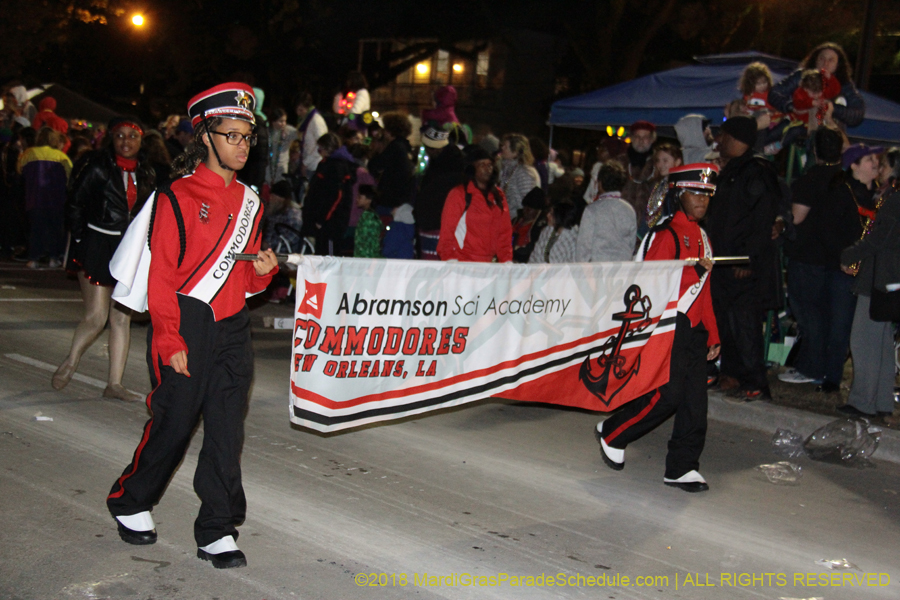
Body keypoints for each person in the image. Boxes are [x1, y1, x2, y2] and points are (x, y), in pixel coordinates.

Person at [106, 83, 278, 569]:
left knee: (227, 429)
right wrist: (167, 335)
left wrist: (260, 271)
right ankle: (131, 499)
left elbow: (241, 278)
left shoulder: (251, 202)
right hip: (185, 320)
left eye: (248, 138)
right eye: (232, 136)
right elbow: (162, 276)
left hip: (231, 325)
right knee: (175, 423)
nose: (242, 146)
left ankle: (218, 529)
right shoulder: (175, 197)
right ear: (205, 136)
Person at [595, 163, 720, 493]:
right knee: (668, 394)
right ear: (678, 195)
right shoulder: (664, 235)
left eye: (707, 194)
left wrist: (713, 332)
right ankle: (614, 431)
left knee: (695, 404)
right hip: (668, 323)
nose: (702, 200)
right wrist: (693, 273)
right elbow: (647, 286)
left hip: (694, 327)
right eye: (695, 192)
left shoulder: (702, 237)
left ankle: (682, 466)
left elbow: (704, 289)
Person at [53, 117, 155, 401]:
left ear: (141, 140)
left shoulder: (147, 172)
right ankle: (71, 361)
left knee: (121, 317)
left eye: (132, 136)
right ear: (112, 138)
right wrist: (82, 240)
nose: (126, 141)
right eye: (120, 136)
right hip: (97, 243)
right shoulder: (97, 166)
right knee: (97, 316)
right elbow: (74, 203)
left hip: (129, 249)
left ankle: (114, 384)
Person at [706, 116, 781, 401]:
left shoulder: (756, 171)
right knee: (726, 319)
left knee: (745, 324)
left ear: (735, 138)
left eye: (722, 135)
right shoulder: (732, 170)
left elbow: (761, 220)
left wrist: (745, 259)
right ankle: (733, 374)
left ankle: (756, 382)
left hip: (742, 265)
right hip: (723, 261)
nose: (718, 140)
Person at [779, 128, 850, 389]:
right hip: (831, 258)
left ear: (815, 151)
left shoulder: (810, 179)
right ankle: (820, 368)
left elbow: (796, 218)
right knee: (822, 316)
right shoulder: (844, 179)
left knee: (808, 316)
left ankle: (810, 367)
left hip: (808, 256)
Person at [839, 177, 900, 418]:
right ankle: (881, 401)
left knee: (865, 342)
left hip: (878, 278)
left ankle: (863, 401)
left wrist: (849, 254)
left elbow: (878, 239)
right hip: (889, 279)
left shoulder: (895, 201)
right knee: (882, 343)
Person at [437, 146, 512, 262]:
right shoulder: (459, 194)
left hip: (488, 266)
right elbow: (447, 233)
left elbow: (504, 233)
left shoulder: (498, 196)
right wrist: (450, 261)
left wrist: (506, 261)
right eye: (482, 165)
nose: (487, 169)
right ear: (472, 169)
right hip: (463, 264)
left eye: (490, 165)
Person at [768, 42, 865, 130]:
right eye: (822, 58)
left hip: (828, 131)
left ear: (838, 65)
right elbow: (774, 93)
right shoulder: (801, 76)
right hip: (798, 125)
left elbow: (857, 114)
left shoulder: (844, 83)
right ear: (815, 60)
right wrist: (792, 106)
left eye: (831, 60)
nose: (825, 63)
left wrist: (831, 108)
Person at [17, 127, 72, 268]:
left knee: (36, 229)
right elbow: (70, 176)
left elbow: (20, 170)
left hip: (34, 197)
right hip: (56, 199)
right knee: (55, 228)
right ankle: (54, 257)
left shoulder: (29, 153)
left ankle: (34, 258)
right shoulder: (61, 157)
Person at [414, 123, 466, 260]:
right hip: (437, 222)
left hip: (438, 225)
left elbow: (436, 196)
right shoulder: (451, 161)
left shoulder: (447, 167)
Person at [302, 132, 357, 256]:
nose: (319, 151)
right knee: (322, 253)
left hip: (331, 223)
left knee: (329, 256)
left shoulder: (336, 167)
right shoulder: (328, 164)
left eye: (320, 148)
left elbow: (335, 197)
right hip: (325, 221)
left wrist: (322, 219)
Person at [575, 161, 636, 262]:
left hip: (598, 269)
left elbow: (583, 246)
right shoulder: (629, 210)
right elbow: (631, 244)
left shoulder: (592, 210)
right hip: (622, 268)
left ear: (600, 184)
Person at [367, 112, 414, 210]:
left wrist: (375, 151)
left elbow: (375, 166)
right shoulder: (405, 146)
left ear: (389, 130)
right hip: (401, 198)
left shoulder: (395, 147)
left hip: (391, 200)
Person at [614, 120, 657, 226]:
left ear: (652, 139)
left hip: (647, 225)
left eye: (645, 137)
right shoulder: (619, 163)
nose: (641, 140)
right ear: (632, 138)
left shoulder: (658, 164)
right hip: (620, 221)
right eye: (637, 136)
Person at [498, 134, 541, 219]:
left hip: (516, 219)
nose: (502, 148)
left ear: (515, 152)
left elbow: (528, 202)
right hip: (508, 218)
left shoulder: (524, 172)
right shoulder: (508, 169)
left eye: (506, 147)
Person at [295, 92, 329, 178]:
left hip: (315, 166)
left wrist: (305, 163)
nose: (298, 114)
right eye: (297, 110)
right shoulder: (307, 121)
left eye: (301, 110)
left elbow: (321, 145)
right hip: (309, 164)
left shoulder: (316, 121)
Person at [511, 187, 547, 263]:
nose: (525, 211)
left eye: (529, 209)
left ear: (538, 211)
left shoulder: (539, 228)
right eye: (525, 207)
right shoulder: (515, 221)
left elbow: (532, 250)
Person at [265, 108, 298, 187]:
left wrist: (297, 152)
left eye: (285, 121)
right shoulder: (267, 131)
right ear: (273, 121)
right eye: (280, 121)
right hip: (268, 167)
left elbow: (302, 137)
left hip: (282, 167)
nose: (283, 124)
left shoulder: (289, 131)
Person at [354, 184, 382, 258]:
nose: (357, 199)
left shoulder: (369, 217)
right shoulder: (368, 215)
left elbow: (367, 243)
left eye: (360, 197)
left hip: (366, 259)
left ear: (369, 200)